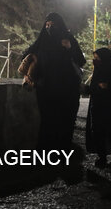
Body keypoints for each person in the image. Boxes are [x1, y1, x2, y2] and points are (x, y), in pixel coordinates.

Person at [21, 12, 86, 150]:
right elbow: (25, 56)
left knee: (65, 121)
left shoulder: (68, 39)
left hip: (67, 90)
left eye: (53, 25)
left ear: (60, 26)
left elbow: (81, 61)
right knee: (47, 121)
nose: (49, 28)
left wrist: (70, 48)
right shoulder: (41, 42)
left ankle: (64, 152)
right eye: (47, 25)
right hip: (46, 89)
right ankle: (46, 153)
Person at [85, 48, 111, 168]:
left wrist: (104, 88)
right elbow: (96, 88)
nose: (95, 61)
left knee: (107, 130)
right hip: (96, 106)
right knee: (97, 131)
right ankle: (102, 157)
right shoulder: (98, 70)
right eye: (95, 58)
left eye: (97, 58)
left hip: (107, 107)